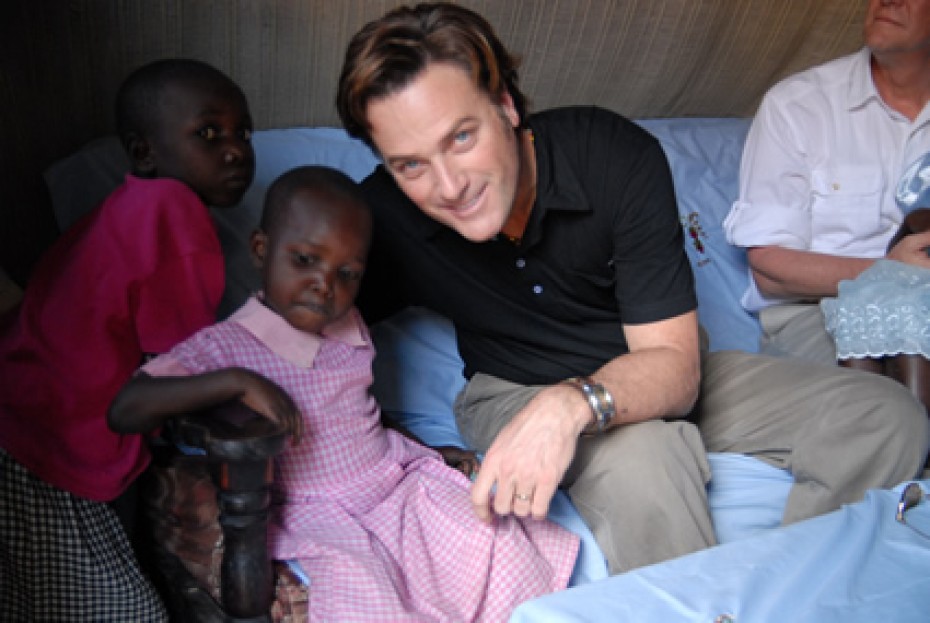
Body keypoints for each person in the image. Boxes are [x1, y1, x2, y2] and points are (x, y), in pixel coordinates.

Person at [335, 2, 929, 574]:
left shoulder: (614, 156)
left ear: (507, 106)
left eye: (461, 137)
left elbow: (672, 365)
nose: (449, 185)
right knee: (647, 455)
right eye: (410, 164)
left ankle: (785, 587)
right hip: (513, 384)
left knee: (886, 415)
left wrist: (568, 406)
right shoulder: (383, 217)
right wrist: (400, 444)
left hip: (653, 363)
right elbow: (295, 336)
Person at [109, 165, 579, 621]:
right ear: (260, 249)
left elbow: (357, 412)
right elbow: (126, 408)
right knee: (373, 603)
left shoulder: (348, 324)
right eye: (305, 260)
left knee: (496, 539)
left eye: (347, 273)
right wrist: (236, 381)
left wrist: (426, 451)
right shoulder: (226, 346)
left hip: (391, 481)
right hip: (319, 511)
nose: (324, 286)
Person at [0, 58, 256, 620]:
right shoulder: (173, 213)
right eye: (208, 133)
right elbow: (184, 361)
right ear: (144, 152)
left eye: (243, 132)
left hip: (22, 412)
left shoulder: (124, 210)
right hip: (54, 441)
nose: (236, 149)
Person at [723, 0, 930, 367]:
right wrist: (888, 271)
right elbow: (771, 269)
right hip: (813, 315)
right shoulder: (798, 106)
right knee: (880, 390)